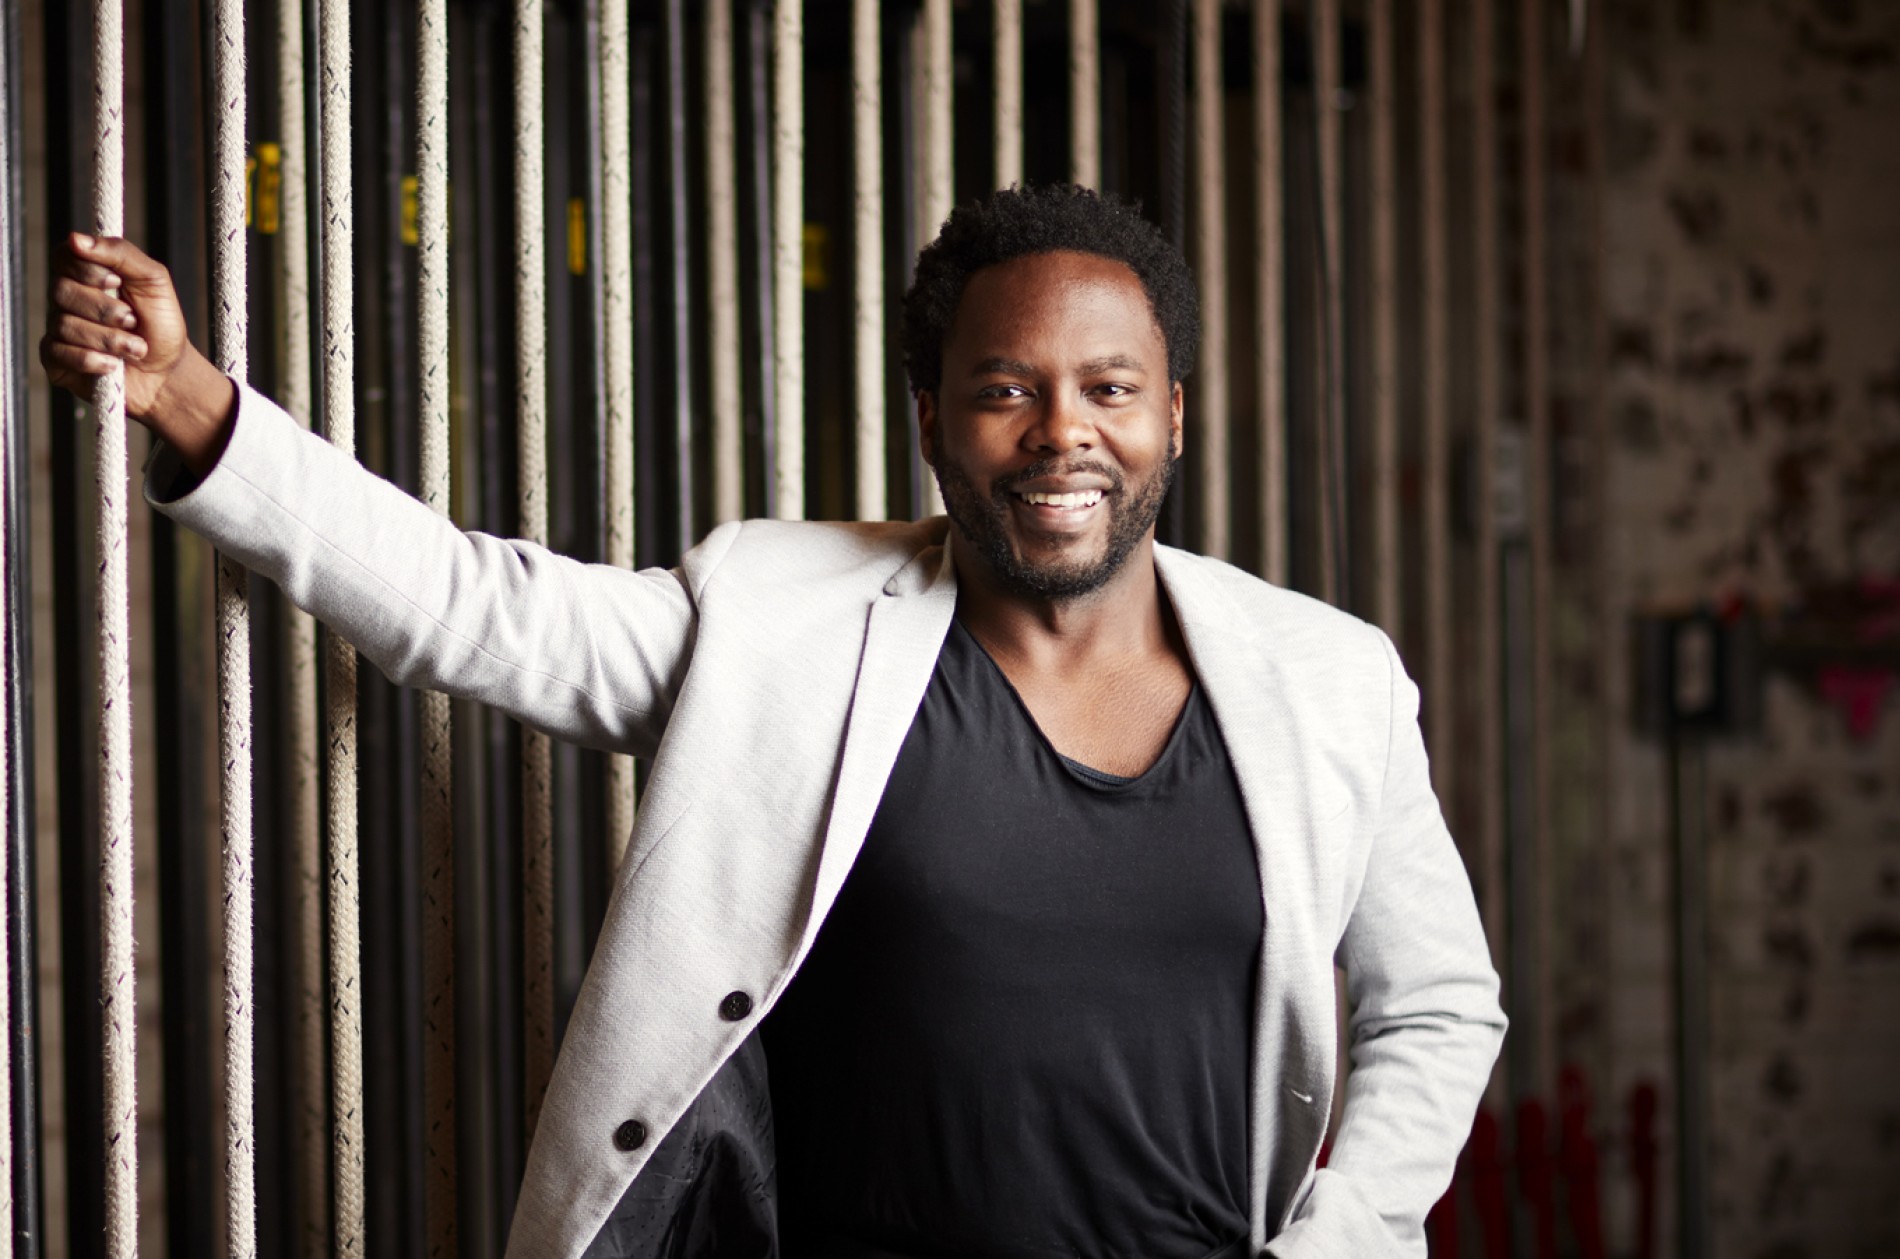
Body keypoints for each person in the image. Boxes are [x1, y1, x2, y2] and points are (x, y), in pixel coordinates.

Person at [43, 184, 1504, 1259]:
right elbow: (478, 610)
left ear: (1173, 415)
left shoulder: (1331, 681)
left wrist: (1345, 1243)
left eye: (1108, 389)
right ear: (932, 420)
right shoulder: (785, 627)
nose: (1064, 433)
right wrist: (189, 400)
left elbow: (1440, 1003)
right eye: (1005, 391)